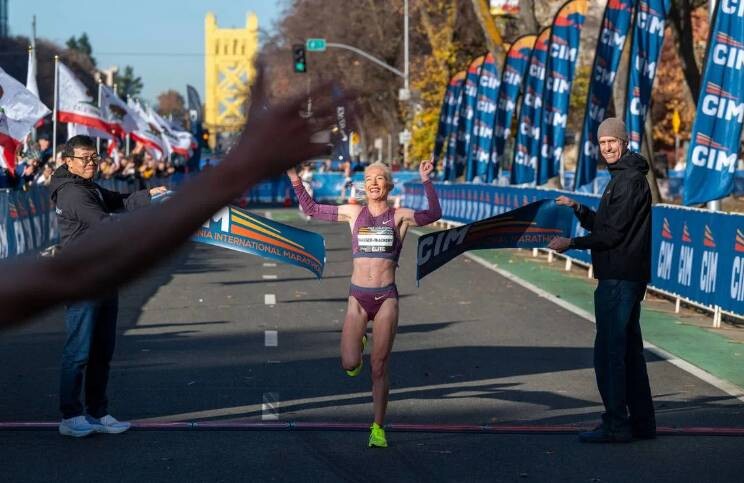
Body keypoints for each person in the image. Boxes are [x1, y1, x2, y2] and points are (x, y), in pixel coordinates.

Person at [287, 158, 441, 448]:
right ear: (364, 186)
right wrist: (294, 175)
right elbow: (311, 209)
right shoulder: (353, 212)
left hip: (386, 299)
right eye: (369, 178)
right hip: (358, 298)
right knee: (350, 363)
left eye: (379, 178)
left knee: (379, 366)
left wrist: (426, 179)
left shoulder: (399, 217)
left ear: (388, 185)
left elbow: (434, 214)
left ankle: (378, 427)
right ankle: (358, 342)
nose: (373, 183)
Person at [50, 134, 167, 438]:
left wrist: (149, 195)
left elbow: (118, 201)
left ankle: (97, 412)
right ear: (68, 161)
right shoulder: (72, 192)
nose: (91, 163)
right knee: (79, 351)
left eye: (94, 157)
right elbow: (105, 222)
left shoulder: (87, 186)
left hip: (103, 274)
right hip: (83, 279)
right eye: (85, 158)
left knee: (102, 349)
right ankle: (71, 416)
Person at [548, 117, 655, 443]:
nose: (607, 147)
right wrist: (578, 208)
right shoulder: (623, 177)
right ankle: (642, 424)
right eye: (603, 142)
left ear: (624, 142)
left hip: (619, 278)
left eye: (612, 142)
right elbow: (608, 225)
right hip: (624, 276)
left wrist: (571, 243)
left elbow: (612, 234)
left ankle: (616, 425)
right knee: (629, 352)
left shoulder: (627, 181)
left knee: (610, 354)